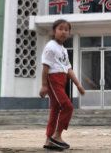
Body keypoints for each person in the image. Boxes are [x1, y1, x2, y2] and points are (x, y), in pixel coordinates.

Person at [39, 19, 86, 151]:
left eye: (66, 30)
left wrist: (78, 85)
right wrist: (44, 85)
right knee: (68, 107)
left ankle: (49, 140)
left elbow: (68, 69)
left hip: (62, 79)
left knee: (55, 109)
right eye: (61, 29)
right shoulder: (50, 46)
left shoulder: (64, 50)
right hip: (53, 79)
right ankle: (57, 135)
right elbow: (45, 67)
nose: (64, 32)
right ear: (54, 31)